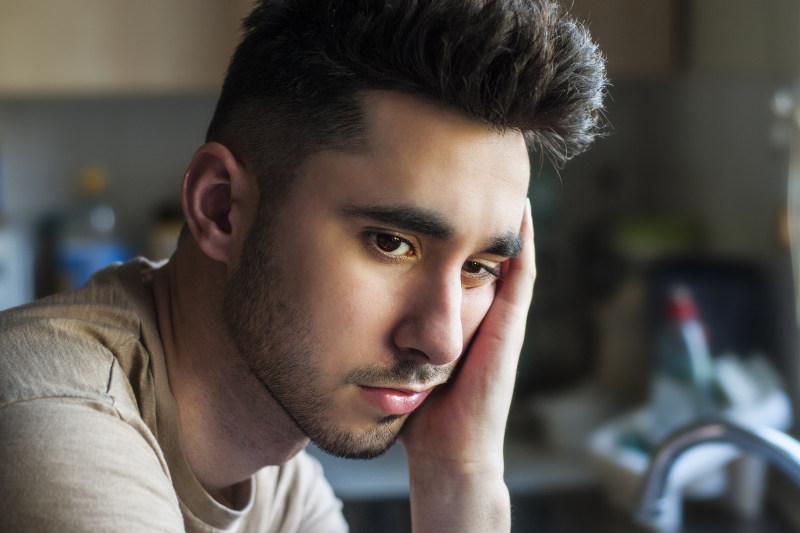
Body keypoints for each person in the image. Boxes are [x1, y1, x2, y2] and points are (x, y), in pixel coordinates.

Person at [0, 0, 607, 531]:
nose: (441, 341)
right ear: (221, 209)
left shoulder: (276, 478)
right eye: (391, 243)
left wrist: (460, 474)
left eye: (480, 267)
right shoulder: (51, 423)